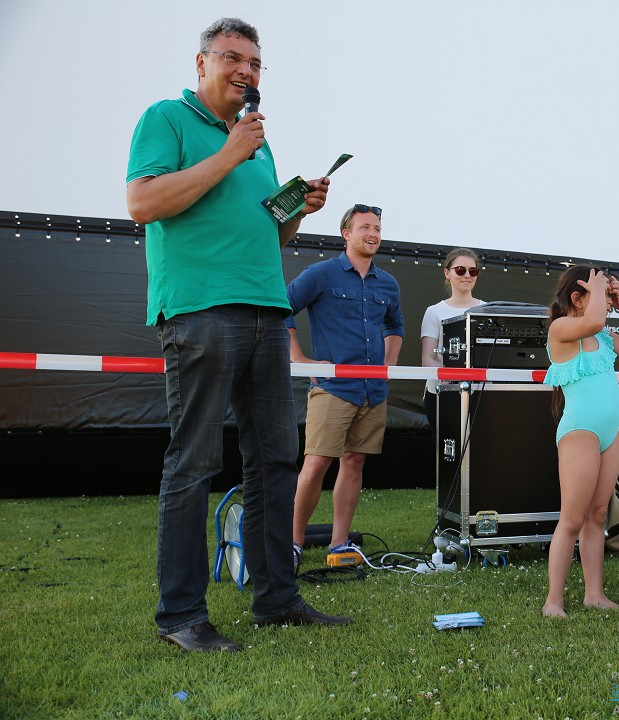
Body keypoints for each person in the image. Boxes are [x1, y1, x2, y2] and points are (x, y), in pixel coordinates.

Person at [126, 17, 348, 653]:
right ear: (202, 65)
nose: (246, 71)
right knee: (193, 463)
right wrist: (228, 153)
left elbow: (269, 235)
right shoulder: (166, 120)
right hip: (200, 310)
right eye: (233, 58)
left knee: (275, 462)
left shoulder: (258, 144)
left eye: (255, 62)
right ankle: (182, 618)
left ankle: (277, 599)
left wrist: (296, 209)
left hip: (265, 311)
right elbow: (142, 203)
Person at [287, 204, 404, 568]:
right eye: (365, 227)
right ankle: (292, 544)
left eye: (378, 228)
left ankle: (339, 545)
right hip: (333, 388)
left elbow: (395, 327)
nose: (373, 233)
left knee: (353, 463)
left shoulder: (388, 283)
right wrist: (301, 361)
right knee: (317, 463)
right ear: (346, 234)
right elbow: (281, 308)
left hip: (374, 392)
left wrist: (388, 366)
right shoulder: (321, 274)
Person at [541, 266, 619, 617]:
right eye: (596, 292)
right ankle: (553, 601)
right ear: (578, 298)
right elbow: (593, 322)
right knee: (571, 518)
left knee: (598, 514)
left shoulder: (602, 338)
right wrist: (601, 292)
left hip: (608, 434)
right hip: (580, 433)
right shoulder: (562, 329)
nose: (604, 300)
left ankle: (594, 594)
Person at [420, 248, 485, 436]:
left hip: (479, 395)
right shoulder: (434, 311)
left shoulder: (487, 309)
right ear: (447, 273)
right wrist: (446, 378)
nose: (467, 275)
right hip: (442, 394)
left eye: (473, 271)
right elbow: (428, 359)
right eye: (460, 270)